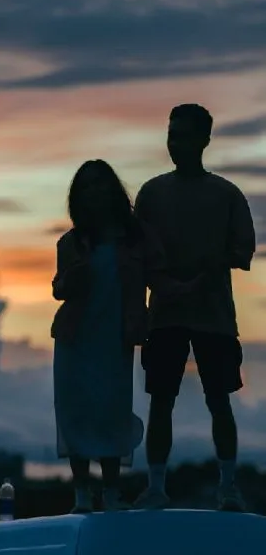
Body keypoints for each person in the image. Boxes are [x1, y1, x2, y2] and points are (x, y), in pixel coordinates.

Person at [51, 159, 205, 513]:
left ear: (113, 190)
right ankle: (81, 495)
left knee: (111, 410)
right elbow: (59, 289)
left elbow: (160, 278)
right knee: (75, 412)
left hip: (115, 338)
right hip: (75, 338)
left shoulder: (136, 238)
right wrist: (74, 277)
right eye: (87, 186)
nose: (95, 192)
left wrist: (190, 288)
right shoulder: (72, 242)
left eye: (101, 184)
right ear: (79, 196)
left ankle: (111, 492)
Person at [134, 104, 256, 512]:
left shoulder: (226, 194)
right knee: (160, 400)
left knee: (218, 399)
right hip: (166, 313)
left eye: (185, 135)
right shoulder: (151, 193)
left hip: (214, 315)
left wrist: (202, 277)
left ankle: (228, 486)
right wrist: (165, 286)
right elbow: (139, 254)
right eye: (172, 135)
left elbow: (242, 250)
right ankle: (155, 487)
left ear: (205, 139)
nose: (176, 144)